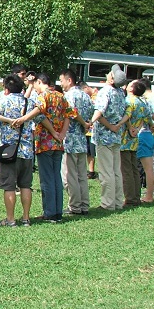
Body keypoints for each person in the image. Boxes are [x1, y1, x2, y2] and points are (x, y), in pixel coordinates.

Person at [13, 73, 73, 223]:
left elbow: (39, 113)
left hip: (45, 142)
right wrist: (62, 134)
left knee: (46, 179)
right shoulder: (61, 96)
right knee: (56, 178)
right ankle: (57, 212)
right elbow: (69, 115)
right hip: (58, 142)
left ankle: (50, 213)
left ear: (40, 82)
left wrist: (23, 119)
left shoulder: (42, 96)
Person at [0, 74, 33, 227]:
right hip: (27, 150)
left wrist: (6, 121)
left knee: (9, 186)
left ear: (6, 88)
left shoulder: (4, 101)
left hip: (9, 150)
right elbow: (40, 118)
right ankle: (26, 218)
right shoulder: (29, 102)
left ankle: (10, 219)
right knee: (26, 185)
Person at [91, 64, 128, 211]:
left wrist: (90, 122)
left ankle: (107, 203)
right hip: (117, 135)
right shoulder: (120, 93)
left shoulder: (105, 91)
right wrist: (117, 126)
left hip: (104, 136)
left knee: (106, 172)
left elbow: (100, 112)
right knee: (116, 171)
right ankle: (118, 201)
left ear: (111, 78)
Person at [58, 70, 93, 215]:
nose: (61, 83)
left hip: (70, 139)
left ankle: (75, 206)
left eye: (62, 80)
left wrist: (83, 123)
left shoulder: (69, 95)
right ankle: (84, 204)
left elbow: (71, 112)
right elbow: (91, 110)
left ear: (69, 80)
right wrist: (86, 123)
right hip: (81, 139)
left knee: (69, 175)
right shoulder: (85, 95)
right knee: (81, 175)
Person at [122, 80, 154, 204]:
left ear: (131, 89)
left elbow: (125, 116)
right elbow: (149, 121)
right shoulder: (143, 103)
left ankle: (130, 198)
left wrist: (128, 126)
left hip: (125, 139)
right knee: (134, 169)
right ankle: (136, 196)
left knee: (126, 170)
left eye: (130, 85)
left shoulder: (128, 101)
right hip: (135, 140)